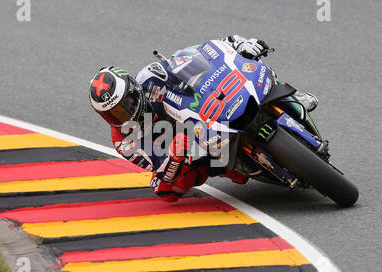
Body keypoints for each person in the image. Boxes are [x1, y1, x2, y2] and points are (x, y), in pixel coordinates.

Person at [88, 35, 318, 202]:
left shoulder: (150, 77)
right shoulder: (125, 140)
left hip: (206, 109)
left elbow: (193, 57)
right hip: (192, 148)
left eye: (124, 106)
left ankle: (291, 97)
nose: (122, 115)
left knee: (249, 66)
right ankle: (238, 163)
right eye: (111, 114)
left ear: (133, 89)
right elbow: (160, 172)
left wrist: (236, 45)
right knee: (166, 192)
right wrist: (175, 156)